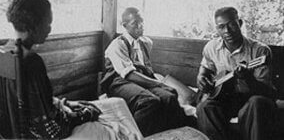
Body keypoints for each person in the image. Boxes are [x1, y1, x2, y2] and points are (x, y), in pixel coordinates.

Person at [5, 0, 143, 139]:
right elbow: (51, 128)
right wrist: (84, 114)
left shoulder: (8, 50)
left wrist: (67, 104)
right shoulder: (31, 61)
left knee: (118, 102)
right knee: (115, 128)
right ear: (33, 24)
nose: (49, 30)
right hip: (44, 134)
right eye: (47, 23)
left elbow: (36, 102)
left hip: (39, 121)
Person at [101, 7, 195, 137]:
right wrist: (158, 83)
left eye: (141, 22)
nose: (140, 26)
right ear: (125, 25)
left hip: (138, 80)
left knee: (170, 95)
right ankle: (136, 135)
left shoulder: (146, 43)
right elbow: (129, 74)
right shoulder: (117, 45)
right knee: (149, 101)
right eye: (135, 23)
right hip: (119, 82)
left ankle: (171, 132)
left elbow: (146, 68)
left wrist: (158, 82)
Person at [196, 7, 277, 140]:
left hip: (251, 98)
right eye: (221, 27)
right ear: (217, 29)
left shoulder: (260, 51)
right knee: (205, 107)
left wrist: (248, 78)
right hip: (226, 99)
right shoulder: (211, 47)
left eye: (231, 25)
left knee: (257, 103)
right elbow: (203, 72)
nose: (227, 31)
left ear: (239, 23)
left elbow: (266, 91)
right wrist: (201, 79)